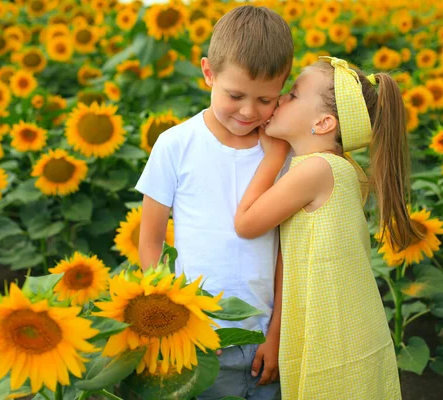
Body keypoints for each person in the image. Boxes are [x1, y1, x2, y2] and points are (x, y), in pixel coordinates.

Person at [135, 5, 293, 399]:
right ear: (208, 73)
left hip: (265, 337)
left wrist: (277, 334)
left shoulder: (284, 155)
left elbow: (287, 252)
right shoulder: (176, 144)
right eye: (235, 95)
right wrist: (176, 323)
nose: (247, 112)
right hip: (199, 336)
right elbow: (151, 241)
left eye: (265, 100)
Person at [234, 56, 417, 399]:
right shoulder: (340, 169)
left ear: (322, 123)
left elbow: (246, 223)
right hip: (349, 330)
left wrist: (274, 155)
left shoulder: (315, 170)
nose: (280, 99)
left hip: (333, 339)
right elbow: (291, 255)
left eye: (293, 94)